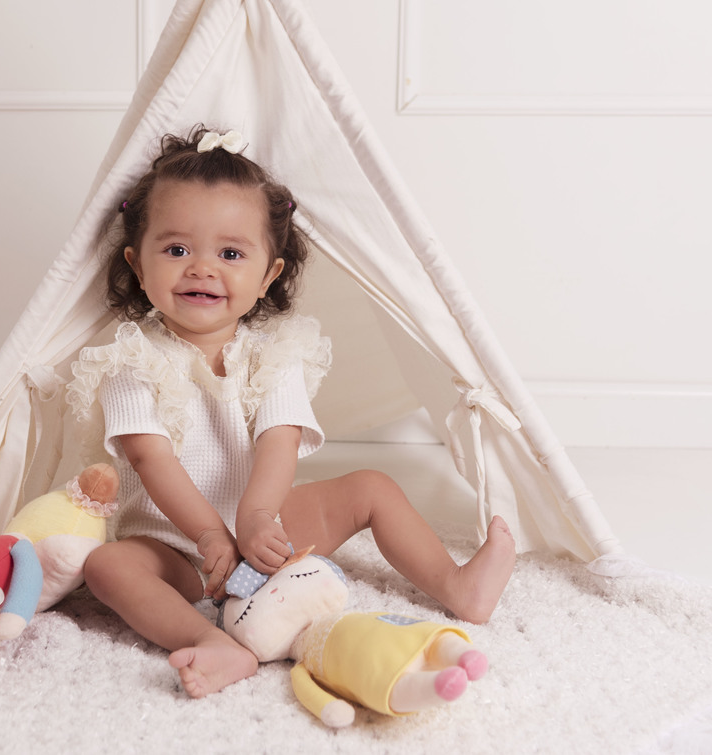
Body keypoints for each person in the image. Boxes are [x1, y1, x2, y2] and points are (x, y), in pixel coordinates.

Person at [66, 125, 516, 700]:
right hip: (173, 546)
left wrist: (257, 519)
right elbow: (150, 459)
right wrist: (209, 535)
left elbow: (278, 439)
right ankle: (212, 640)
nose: (202, 268)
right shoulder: (132, 359)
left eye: (231, 254)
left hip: (264, 527)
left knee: (372, 487)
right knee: (108, 566)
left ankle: (458, 586)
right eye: (176, 250)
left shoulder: (275, 352)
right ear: (137, 264)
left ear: (268, 276)